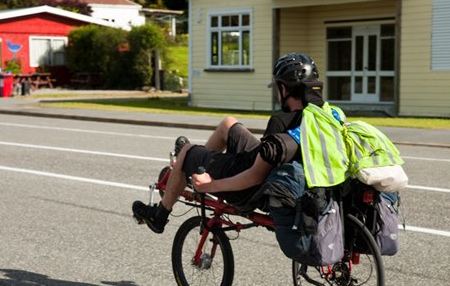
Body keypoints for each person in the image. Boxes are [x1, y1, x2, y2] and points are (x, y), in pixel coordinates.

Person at [132, 53, 348, 234]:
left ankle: (161, 213)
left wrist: (210, 186)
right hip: (265, 167)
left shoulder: (280, 122)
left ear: (285, 89)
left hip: (248, 187)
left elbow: (256, 176)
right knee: (229, 124)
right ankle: (196, 168)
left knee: (187, 150)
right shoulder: (331, 115)